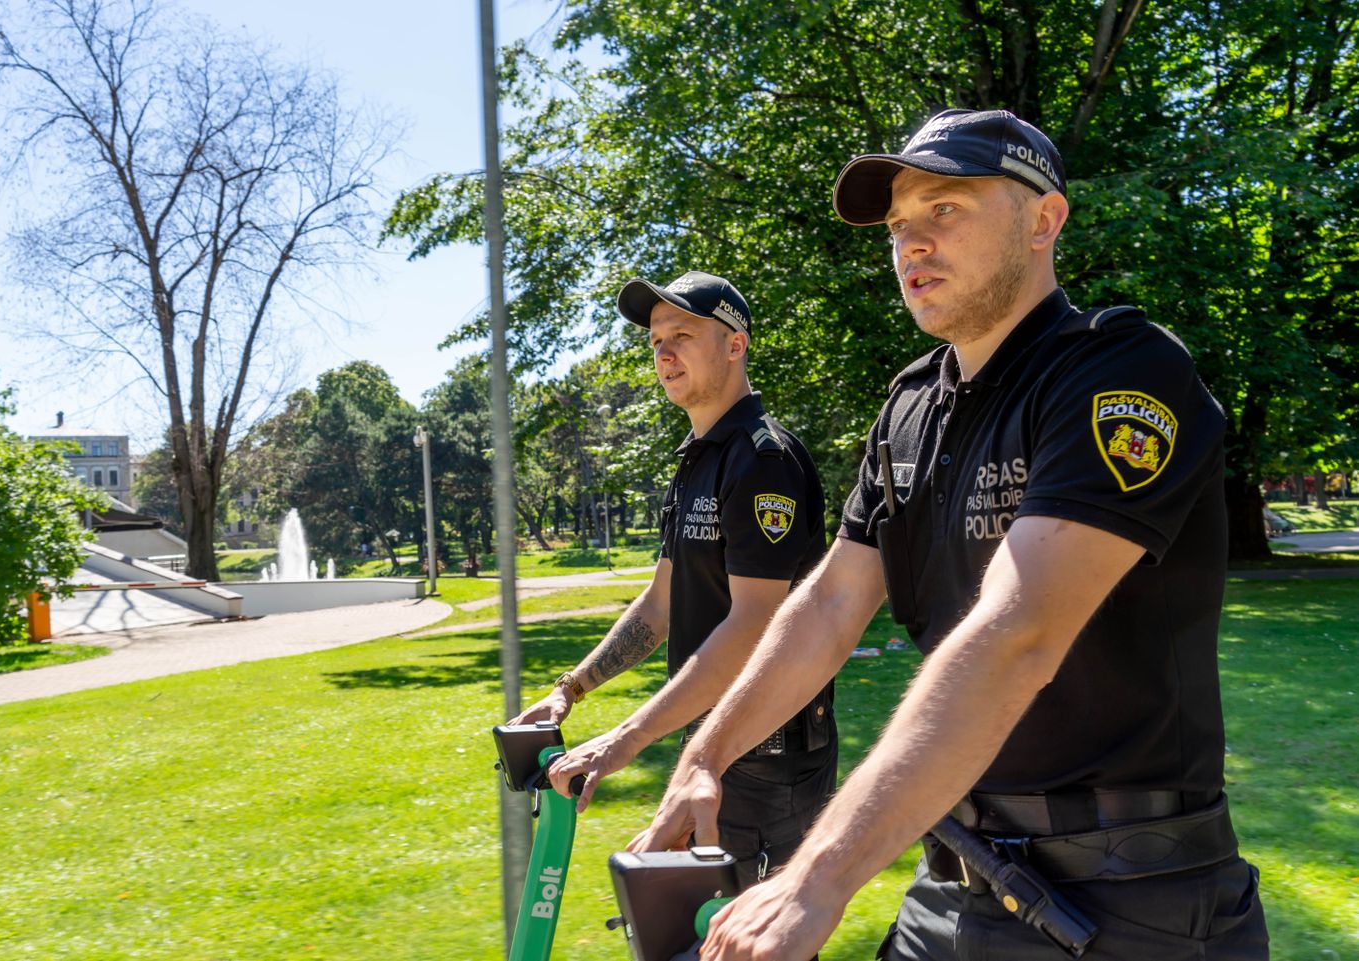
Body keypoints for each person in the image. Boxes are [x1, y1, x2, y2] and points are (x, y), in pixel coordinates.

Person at [630, 109, 1269, 960]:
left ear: (1044, 220)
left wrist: (815, 876)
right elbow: (827, 605)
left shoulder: (1120, 369)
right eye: (899, 225)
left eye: (945, 210)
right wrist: (706, 756)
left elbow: (1017, 633)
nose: (911, 245)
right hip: (958, 875)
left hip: (1130, 903)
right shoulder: (910, 407)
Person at [510, 270, 837, 889]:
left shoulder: (764, 460)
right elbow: (660, 604)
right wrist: (570, 690)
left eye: (682, 335)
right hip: (711, 746)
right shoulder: (697, 461)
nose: (663, 353)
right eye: (656, 340)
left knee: (760, 943)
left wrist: (626, 739)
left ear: (735, 344)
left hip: (770, 756)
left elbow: (753, 624)